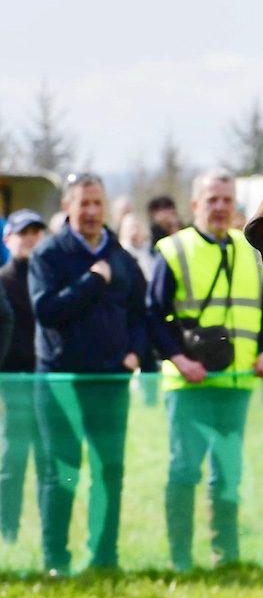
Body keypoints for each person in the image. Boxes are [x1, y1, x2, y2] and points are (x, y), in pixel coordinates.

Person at [149, 170, 263, 569]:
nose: (220, 207)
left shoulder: (250, 252)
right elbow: (154, 315)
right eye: (212, 200)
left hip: (236, 383)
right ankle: (181, 559)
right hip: (188, 386)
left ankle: (227, 555)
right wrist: (179, 358)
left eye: (226, 199)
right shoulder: (173, 250)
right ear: (195, 205)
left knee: (227, 474)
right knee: (185, 471)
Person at [28, 174, 153, 573]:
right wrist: (92, 280)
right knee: (60, 472)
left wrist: (134, 351)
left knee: (109, 471)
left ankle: (104, 558)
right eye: (83, 204)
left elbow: (139, 311)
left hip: (110, 381)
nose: (92, 212)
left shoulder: (122, 257)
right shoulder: (48, 255)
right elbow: (46, 311)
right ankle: (56, 561)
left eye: (98, 203)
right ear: (67, 207)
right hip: (60, 382)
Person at [0, 210, 46, 547]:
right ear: (7, 239)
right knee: (12, 462)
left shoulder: (48, 278)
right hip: (11, 385)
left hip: (47, 384)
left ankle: (48, 538)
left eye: (36, 231)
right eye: (22, 232)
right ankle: (8, 535)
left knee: (50, 463)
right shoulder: (2, 281)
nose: (29, 238)